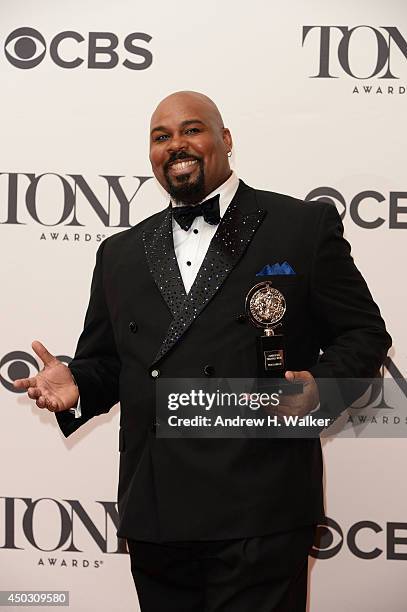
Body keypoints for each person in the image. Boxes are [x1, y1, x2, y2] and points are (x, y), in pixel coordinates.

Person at [14, 91, 391, 611]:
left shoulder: (300, 228)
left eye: (191, 130)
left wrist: (320, 392)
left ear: (225, 139)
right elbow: (107, 362)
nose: (176, 145)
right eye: (161, 137)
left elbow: (364, 333)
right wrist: (77, 384)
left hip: (261, 508)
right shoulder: (119, 252)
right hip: (156, 512)